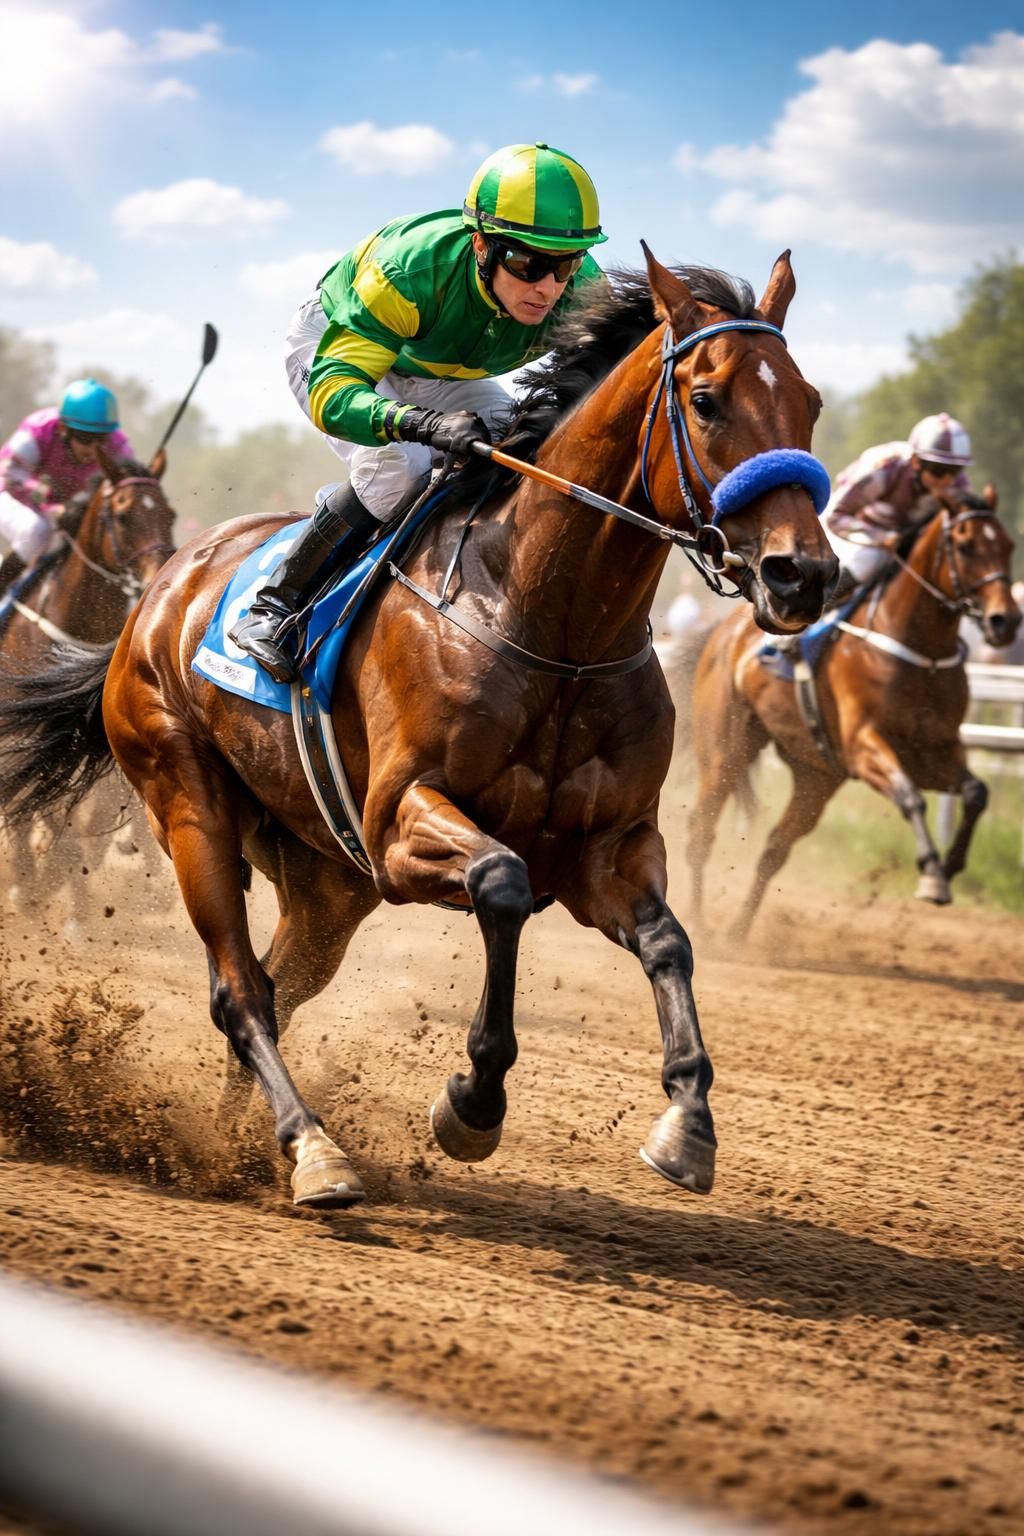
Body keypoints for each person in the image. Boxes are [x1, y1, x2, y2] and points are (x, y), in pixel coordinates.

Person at [229, 141, 608, 682]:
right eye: (528, 263)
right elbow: (334, 395)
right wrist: (421, 425)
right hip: (342, 348)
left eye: (565, 265)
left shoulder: (584, 294)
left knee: (522, 457)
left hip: (440, 368)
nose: (547, 287)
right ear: (481, 244)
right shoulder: (408, 271)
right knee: (397, 469)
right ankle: (273, 607)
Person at [0, 378, 134, 594]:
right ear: (64, 428)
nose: (93, 448)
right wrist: (50, 501)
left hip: (61, 508)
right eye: (84, 438)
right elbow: (8, 474)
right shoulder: (38, 429)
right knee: (36, 532)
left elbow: (126, 487)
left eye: (100, 439)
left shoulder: (119, 446)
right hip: (9, 495)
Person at [822, 413, 976, 599]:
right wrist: (881, 537)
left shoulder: (959, 486)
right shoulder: (884, 468)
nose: (947, 480)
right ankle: (816, 612)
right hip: (852, 527)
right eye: (939, 471)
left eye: (955, 471)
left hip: (904, 537)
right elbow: (836, 517)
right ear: (916, 462)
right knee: (870, 560)